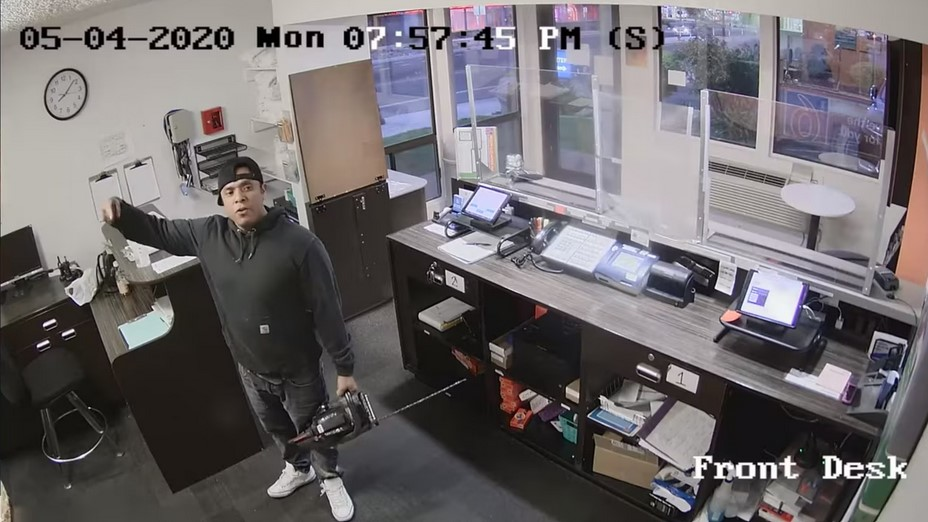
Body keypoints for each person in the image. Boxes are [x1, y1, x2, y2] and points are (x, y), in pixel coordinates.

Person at [101, 156, 356, 521]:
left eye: (247, 188)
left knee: (315, 428)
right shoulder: (209, 235)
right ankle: (299, 469)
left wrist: (345, 367)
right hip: (250, 365)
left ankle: (330, 478)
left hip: (298, 367)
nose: (240, 198)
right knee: (277, 428)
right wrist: (122, 214)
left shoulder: (301, 245)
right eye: (230, 192)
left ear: (262, 190)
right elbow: (159, 232)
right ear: (222, 201)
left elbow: (328, 308)